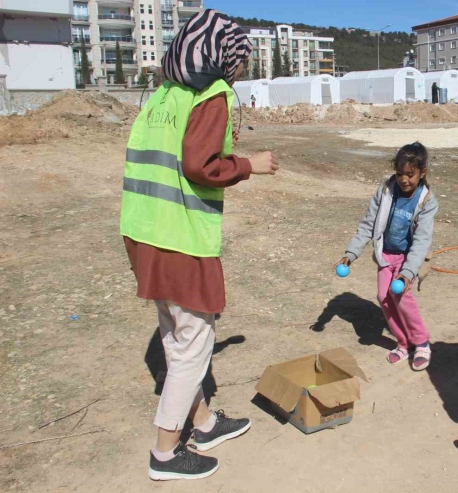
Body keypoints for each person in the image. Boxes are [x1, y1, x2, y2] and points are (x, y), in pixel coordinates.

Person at [120, 10, 280, 481]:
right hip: (179, 235)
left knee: (176, 334)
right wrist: (252, 164)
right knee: (194, 343)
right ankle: (166, 453)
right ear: (223, 57)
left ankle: (204, 423)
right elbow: (200, 164)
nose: (240, 70)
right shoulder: (213, 95)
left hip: (142, 227)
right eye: (240, 60)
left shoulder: (163, 93)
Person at [336, 143, 439, 371]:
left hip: (408, 258)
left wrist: (407, 273)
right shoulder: (385, 191)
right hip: (386, 254)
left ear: (422, 173)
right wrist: (351, 253)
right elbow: (368, 225)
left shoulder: (426, 201)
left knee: (401, 296)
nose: (404, 180)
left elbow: (421, 241)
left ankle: (421, 342)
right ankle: (403, 343)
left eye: (410, 175)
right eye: (400, 173)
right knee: (383, 296)